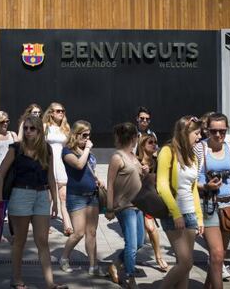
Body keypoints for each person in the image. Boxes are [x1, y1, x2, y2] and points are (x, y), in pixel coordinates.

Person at [0, 115, 68, 289]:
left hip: (42, 196)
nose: (28, 131)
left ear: (39, 131)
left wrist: (56, 202)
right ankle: (17, 278)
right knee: (20, 240)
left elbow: (51, 176)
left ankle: (50, 283)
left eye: (32, 128)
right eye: (26, 128)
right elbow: (0, 175)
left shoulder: (47, 149)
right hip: (20, 194)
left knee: (42, 241)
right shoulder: (16, 148)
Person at [194, 112, 230, 289]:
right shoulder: (199, 148)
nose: (218, 135)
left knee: (218, 257)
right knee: (217, 254)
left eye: (222, 131)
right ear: (207, 130)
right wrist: (206, 187)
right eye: (213, 131)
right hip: (209, 205)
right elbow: (192, 181)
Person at [156, 116, 204, 288]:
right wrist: (176, 213)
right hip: (172, 214)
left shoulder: (192, 156)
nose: (200, 137)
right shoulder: (167, 151)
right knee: (185, 262)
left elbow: (194, 189)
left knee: (185, 266)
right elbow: (162, 185)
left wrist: (199, 217)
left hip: (190, 214)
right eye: (197, 133)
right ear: (185, 132)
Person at [59, 120, 107, 276]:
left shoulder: (88, 153)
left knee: (91, 232)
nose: (87, 138)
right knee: (78, 232)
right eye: (84, 135)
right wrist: (87, 149)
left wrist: (98, 180)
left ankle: (93, 266)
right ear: (76, 134)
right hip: (76, 197)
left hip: (92, 196)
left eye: (89, 135)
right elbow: (79, 165)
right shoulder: (67, 151)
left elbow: (89, 170)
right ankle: (64, 258)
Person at [105, 122, 145, 289]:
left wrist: (144, 170)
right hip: (124, 206)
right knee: (131, 244)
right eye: (136, 137)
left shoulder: (133, 156)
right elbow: (110, 183)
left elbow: (137, 177)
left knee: (140, 242)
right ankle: (129, 278)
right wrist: (109, 207)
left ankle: (115, 265)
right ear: (133, 137)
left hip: (138, 205)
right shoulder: (117, 157)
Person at [136, 134, 168, 272]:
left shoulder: (157, 161)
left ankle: (158, 256)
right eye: (150, 142)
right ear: (143, 145)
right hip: (136, 200)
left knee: (150, 228)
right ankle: (124, 261)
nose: (154, 145)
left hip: (150, 200)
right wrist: (142, 173)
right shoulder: (136, 161)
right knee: (137, 237)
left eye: (155, 142)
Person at [43, 102, 72, 236]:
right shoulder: (45, 127)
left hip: (62, 164)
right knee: (49, 198)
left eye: (63, 111)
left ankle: (67, 225)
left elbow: (70, 146)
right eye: (58, 111)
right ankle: (45, 224)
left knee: (63, 196)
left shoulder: (65, 128)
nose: (61, 113)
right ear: (51, 113)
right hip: (48, 164)